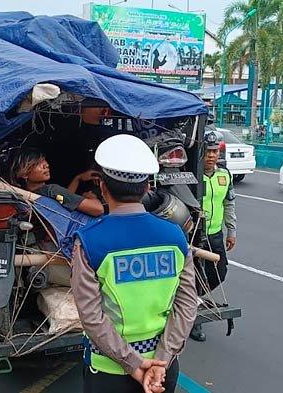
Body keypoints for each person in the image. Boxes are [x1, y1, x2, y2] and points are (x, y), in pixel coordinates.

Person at [71, 134, 198, 393]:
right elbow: (186, 305)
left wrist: (134, 364)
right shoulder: (175, 236)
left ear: (102, 188)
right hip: (163, 369)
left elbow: (92, 318)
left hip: (109, 370)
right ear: (147, 187)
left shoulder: (89, 241)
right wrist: (160, 360)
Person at [190, 131, 237, 342]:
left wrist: (232, 231)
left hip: (215, 234)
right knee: (194, 274)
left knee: (220, 271)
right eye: (208, 151)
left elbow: (229, 203)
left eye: (214, 151)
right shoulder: (192, 174)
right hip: (194, 234)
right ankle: (193, 319)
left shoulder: (224, 174)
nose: (211, 156)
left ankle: (192, 299)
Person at [10, 149, 104, 217]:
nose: (46, 165)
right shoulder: (51, 190)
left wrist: (77, 179)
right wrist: (92, 197)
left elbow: (64, 199)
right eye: (38, 163)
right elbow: (97, 209)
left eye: (44, 160)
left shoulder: (28, 195)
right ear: (25, 174)